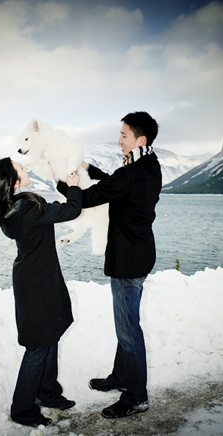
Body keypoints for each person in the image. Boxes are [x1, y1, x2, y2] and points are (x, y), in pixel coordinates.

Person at [56, 111, 161, 419]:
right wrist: (91, 170)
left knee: (129, 330)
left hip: (128, 261)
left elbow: (97, 194)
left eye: (124, 135)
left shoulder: (133, 173)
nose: (119, 140)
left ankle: (136, 395)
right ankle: (120, 376)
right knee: (125, 322)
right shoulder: (148, 165)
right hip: (139, 254)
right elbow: (114, 182)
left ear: (140, 140)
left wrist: (67, 187)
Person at [0, 157, 82, 427]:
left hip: (35, 276)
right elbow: (71, 211)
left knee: (51, 333)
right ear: (14, 181)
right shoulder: (28, 206)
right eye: (21, 168)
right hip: (39, 282)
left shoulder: (14, 207)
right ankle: (22, 409)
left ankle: (47, 392)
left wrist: (57, 198)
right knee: (38, 345)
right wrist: (73, 186)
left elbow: (50, 212)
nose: (26, 169)